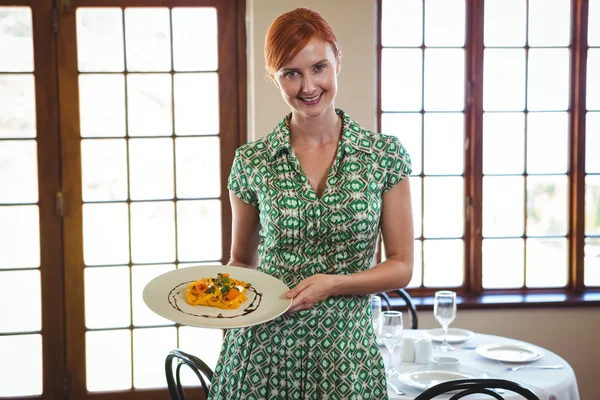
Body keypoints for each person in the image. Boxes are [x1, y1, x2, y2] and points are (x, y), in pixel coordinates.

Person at [208, 7, 414, 400]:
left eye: (319, 67)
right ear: (274, 77)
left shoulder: (382, 155)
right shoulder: (252, 161)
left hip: (345, 356)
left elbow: (401, 266)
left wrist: (336, 284)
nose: (308, 86)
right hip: (260, 354)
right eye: (291, 73)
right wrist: (211, 296)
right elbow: (241, 260)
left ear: (337, 60)